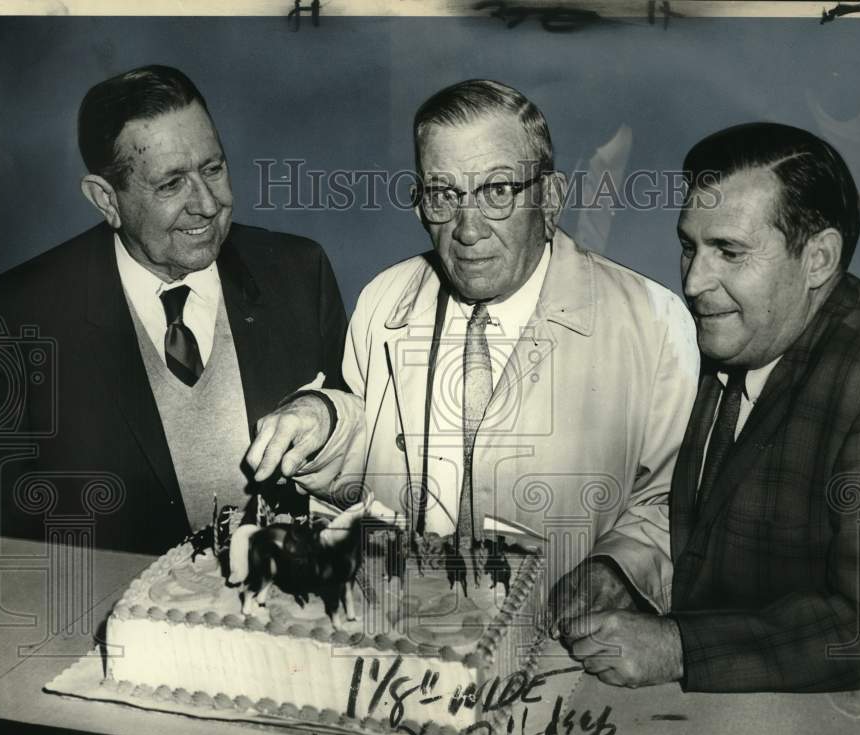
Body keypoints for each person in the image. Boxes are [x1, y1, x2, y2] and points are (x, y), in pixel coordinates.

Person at [246, 79, 700, 614]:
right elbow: (366, 468)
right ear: (420, 206)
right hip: (405, 637)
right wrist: (324, 421)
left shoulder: (653, 320)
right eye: (443, 194)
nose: (467, 228)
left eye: (497, 191)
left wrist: (615, 573)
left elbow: (676, 502)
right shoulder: (382, 301)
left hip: (560, 643)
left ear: (549, 199)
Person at [560, 122, 860, 692]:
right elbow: (702, 517)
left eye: (730, 251)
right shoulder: (732, 332)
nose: (695, 282)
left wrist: (678, 647)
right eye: (689, 246)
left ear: (817, 258)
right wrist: (619, 569)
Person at [0, 65, 347, 553]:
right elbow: (2, 543)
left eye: (213, 169)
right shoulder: (14, 318)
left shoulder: (300, 273)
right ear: (105, 200)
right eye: (170, 184)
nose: (206, 203)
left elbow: (362, 468)